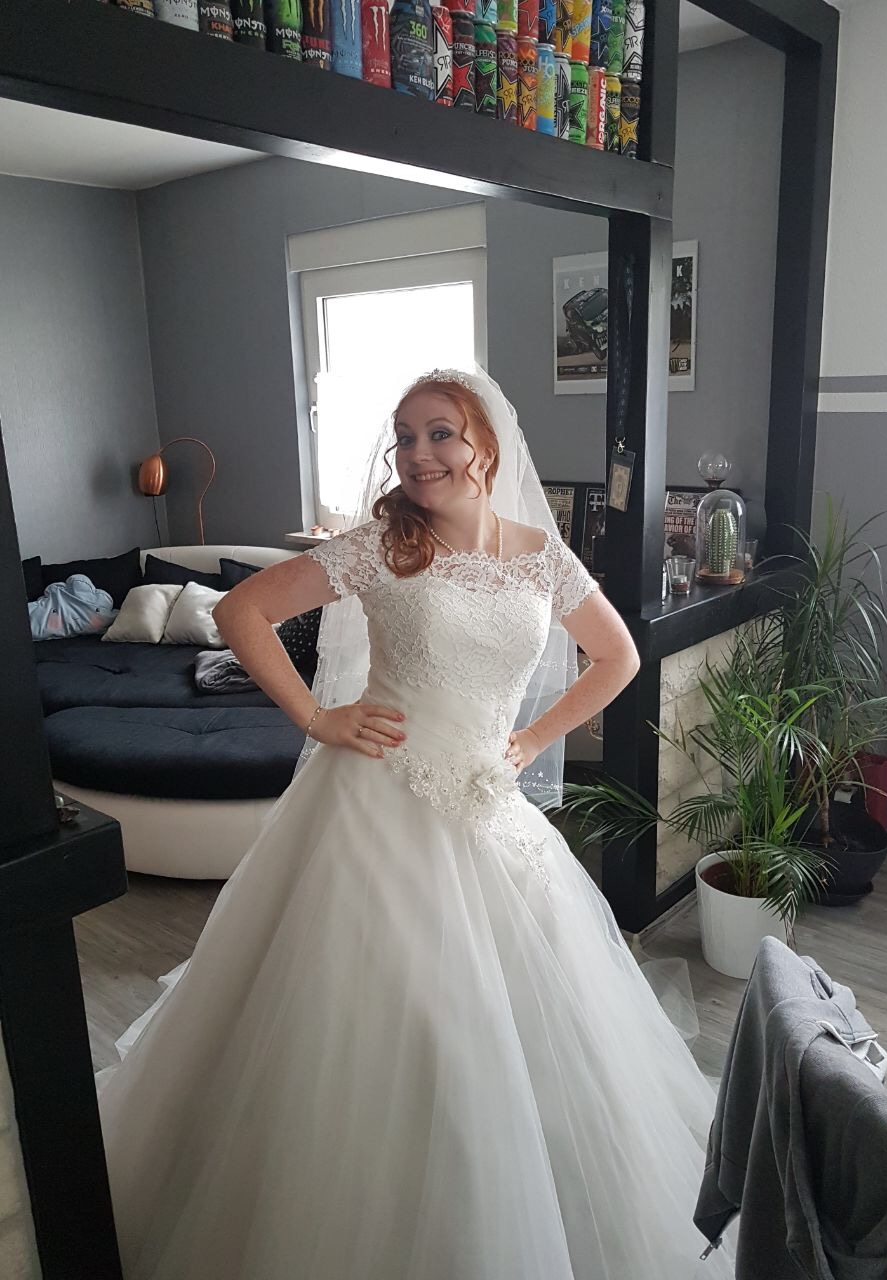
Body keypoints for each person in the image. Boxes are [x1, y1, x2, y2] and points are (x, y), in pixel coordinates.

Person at [96, 368, 734, 1279]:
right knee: (394, 1025)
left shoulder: (542, 556)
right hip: (374, 807)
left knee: (522, 1035)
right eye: (404, 436)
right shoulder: (382, 545)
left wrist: (532, 739)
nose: (418, 454)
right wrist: (318, 718)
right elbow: (242, 610)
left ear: (486, 445)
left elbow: (618, 656)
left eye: (440, 433)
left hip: (489, 810)